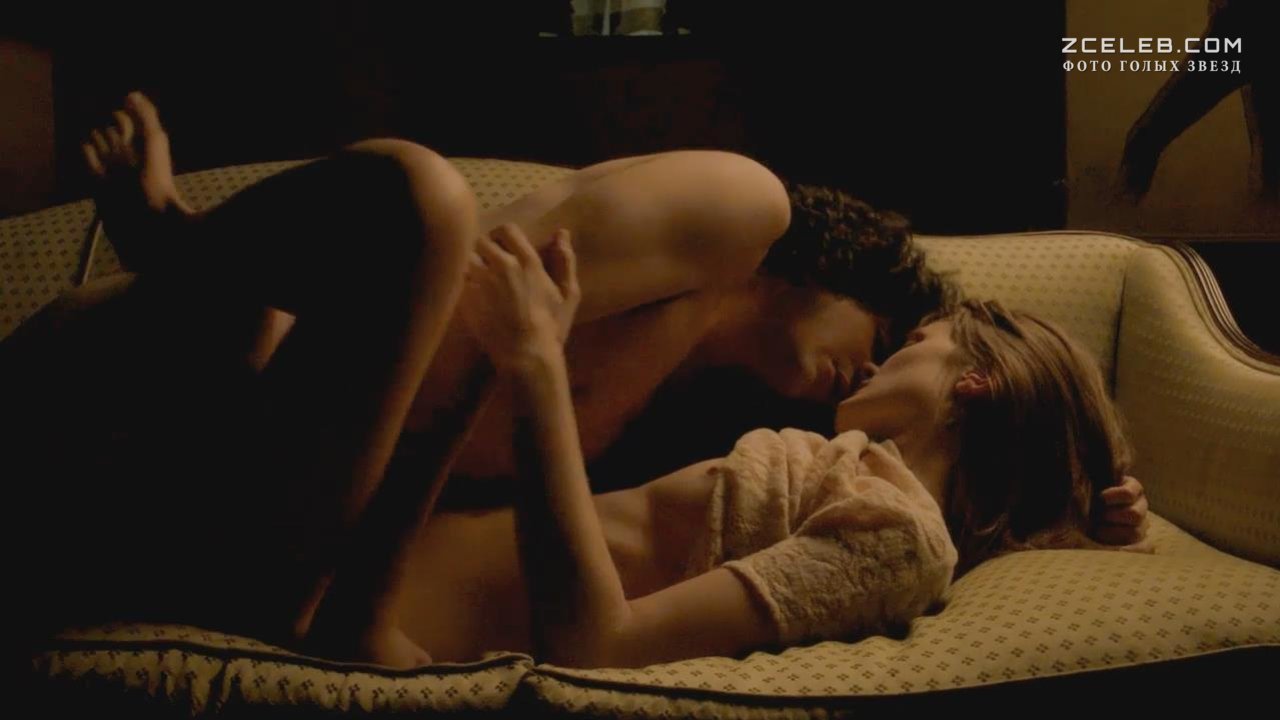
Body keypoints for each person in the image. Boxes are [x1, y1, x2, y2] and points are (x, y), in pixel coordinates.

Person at [1, 93, 1151, 669]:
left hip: (297, 526)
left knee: (415, 202)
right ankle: (175, 244)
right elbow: (438, 294)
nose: (862, 370)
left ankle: (186, 260)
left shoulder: (756, 456)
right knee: (419, 206)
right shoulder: (742, 211)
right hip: (246, 408)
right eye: (892, 330)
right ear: (842, 268)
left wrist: (1077, 498)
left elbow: (899, 529)